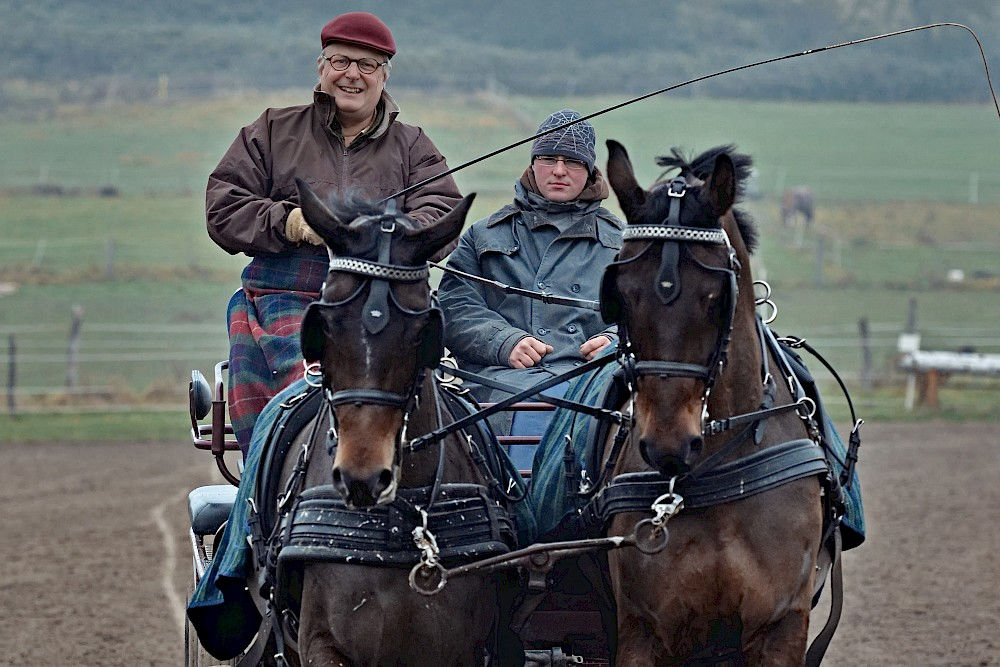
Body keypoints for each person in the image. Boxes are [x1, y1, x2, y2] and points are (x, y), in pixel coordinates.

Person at [205, 11, 462, 452]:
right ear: (322, 67)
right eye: (342, 61)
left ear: (384, 76)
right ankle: (266, 506)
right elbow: (223, 207)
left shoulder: (413, 145)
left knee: (429, 400)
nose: (353, 75)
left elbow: (442, 212)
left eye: (367, 65)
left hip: (386, 298)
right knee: (298, 403)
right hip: (281, 296)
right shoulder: (270, 130)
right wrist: (290, 222)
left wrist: (388, 237)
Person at [437, 109, 623, 458]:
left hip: (592, 385)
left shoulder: (622, 245)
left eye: (572, 161)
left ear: (590, 170)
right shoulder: (484, 234)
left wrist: (613, 342)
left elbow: (647, 317)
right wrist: (505, 342)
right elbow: (454, 308)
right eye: (548, 158)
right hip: (499, 388)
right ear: (532, 163)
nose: (558, 170)